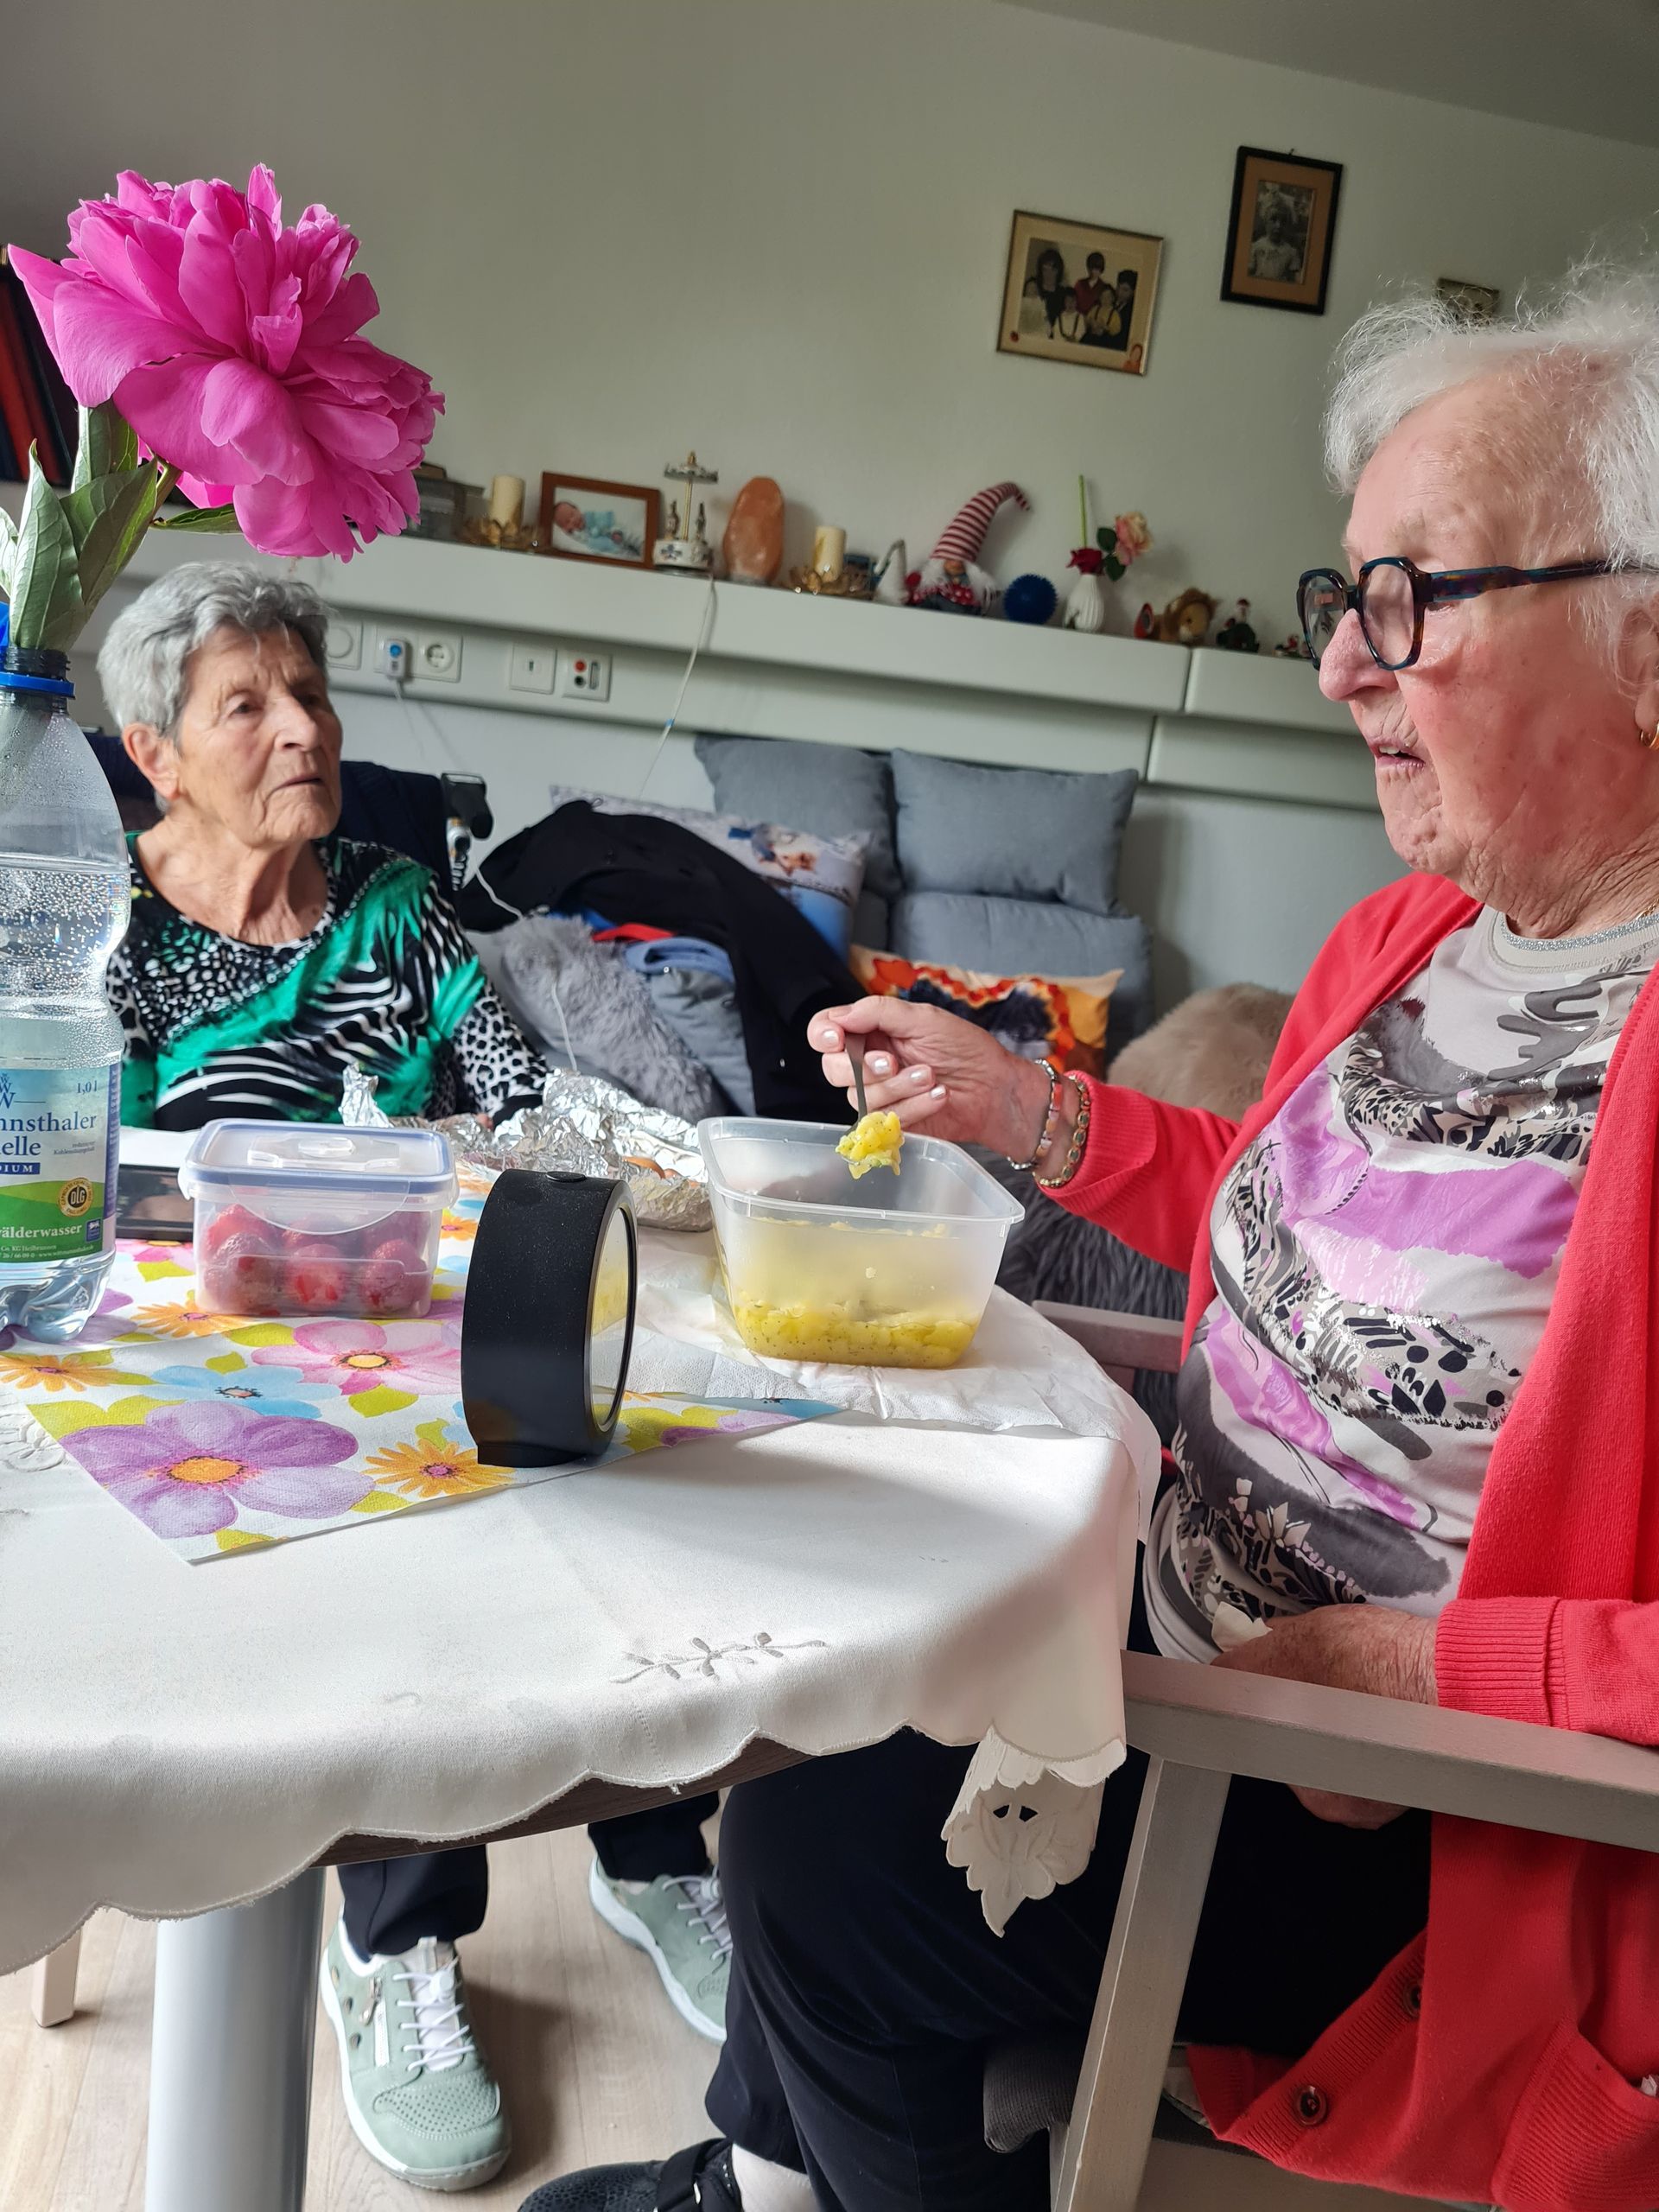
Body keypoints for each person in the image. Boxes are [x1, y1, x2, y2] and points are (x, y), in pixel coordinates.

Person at [528, 268, 1659, 2212]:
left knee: (824, 1854)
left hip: (1413, 1825)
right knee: (829, 1664)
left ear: (1646, 639)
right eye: (1344, 596)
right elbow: (1306, 1232)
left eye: (1413, 596)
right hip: (1172, 1619)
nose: (1342, 663)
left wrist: (1423, 1671)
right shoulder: (1411, 939)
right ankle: (770, 2177)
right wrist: (1024, 1104)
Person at [98, 564, 734, 2193]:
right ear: (154, 752)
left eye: (310, 694)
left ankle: (653, 1846)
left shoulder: (391, 896)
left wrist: (670, 1171)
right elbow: (88, 1189)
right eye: (247, 705)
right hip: (207, 1361)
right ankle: (398, 1941)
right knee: (394, 1515)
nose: (303, 730)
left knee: (597, 1422)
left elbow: (517, 1099)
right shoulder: (107, 928)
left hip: (416, 1317)